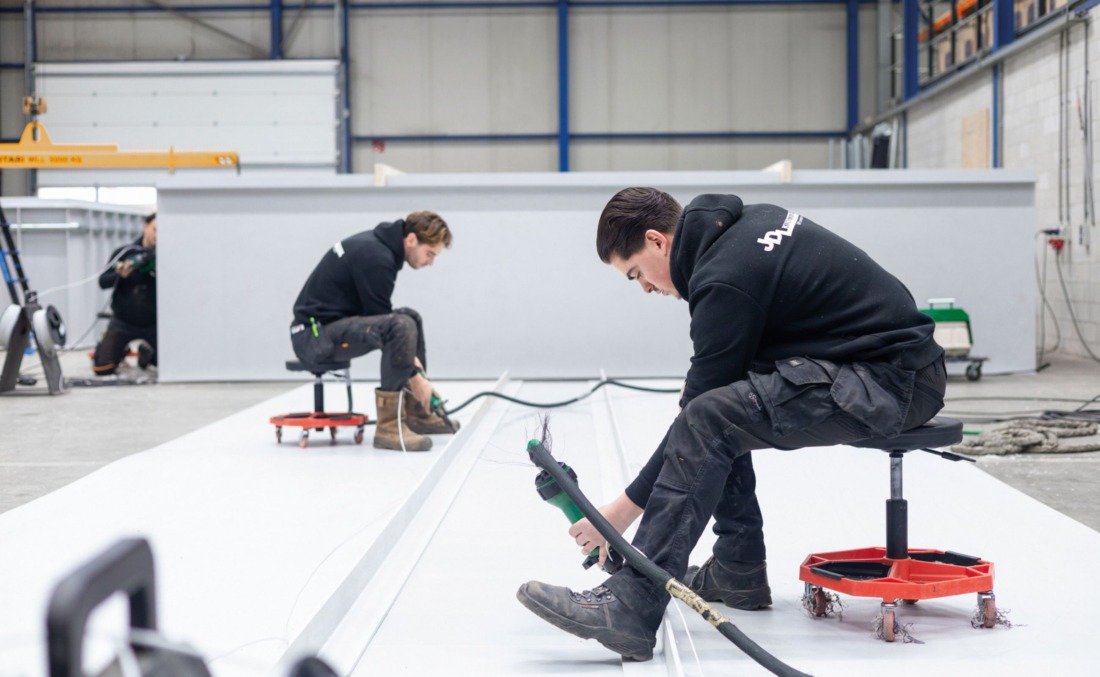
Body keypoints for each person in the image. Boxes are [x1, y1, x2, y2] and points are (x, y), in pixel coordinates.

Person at [517, 188, 947, 661]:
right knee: (719, 405)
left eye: (637, 272)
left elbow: (699, 415)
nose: (644, 288)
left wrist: (617, 515)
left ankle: (632, 604)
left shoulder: (724, 278)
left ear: (658, 240)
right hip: (887, 365)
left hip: (889, 383)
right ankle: (737, 569)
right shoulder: (745, 226)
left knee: (709, 417)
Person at [290, 211, 457, 451]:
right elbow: (385, 323)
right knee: (401, 324)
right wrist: (418, 379)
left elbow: (379, 317)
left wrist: (416, 373)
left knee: (410, 317)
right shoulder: (377, 257)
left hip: (328, 329)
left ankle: (416, 413)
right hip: (312, 339)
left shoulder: (378, 248)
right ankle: (389, 428)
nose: (431, 262)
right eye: (430, 254)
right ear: (411, 240)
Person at [93, 212, 158, 376]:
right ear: (145, 226)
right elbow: (102, 282)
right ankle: (122, 350)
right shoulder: (125, 253)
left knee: (168, 365)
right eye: (155, 229)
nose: (158, 235)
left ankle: (147, 353)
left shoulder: (168, 257)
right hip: (123, 321)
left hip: (155, 324)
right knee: (102, 368)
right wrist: (119, 275)